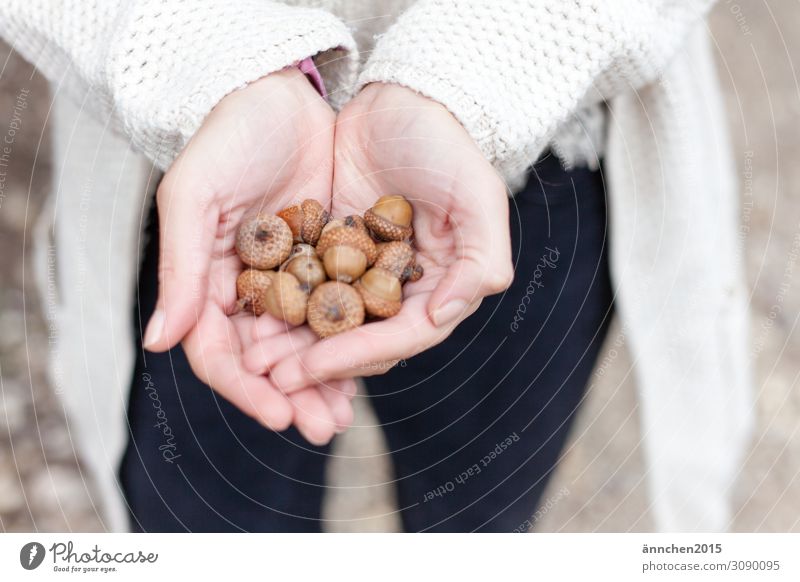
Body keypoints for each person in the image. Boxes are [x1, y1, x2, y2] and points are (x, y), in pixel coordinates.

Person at [2, 0, 751, 532]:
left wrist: (480, 65)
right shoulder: (269, 250)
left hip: (531, 148)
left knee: (474, 521)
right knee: (207, 525)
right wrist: (201, 54)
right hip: (202, 175)